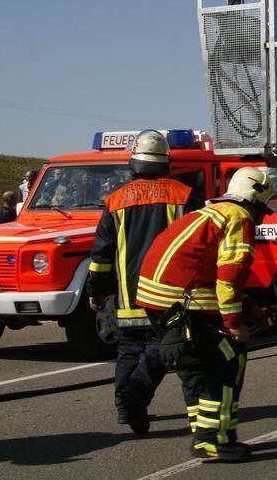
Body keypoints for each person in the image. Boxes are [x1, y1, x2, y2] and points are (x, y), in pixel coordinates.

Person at [137, 166, 277, 463]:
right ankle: (216, 440)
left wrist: (249, 304)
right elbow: (228, 277)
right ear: (253, 199)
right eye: (264, 208)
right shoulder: (239, 218)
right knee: (229, 359)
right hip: (184, 304)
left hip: (159, 301)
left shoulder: (209, 212)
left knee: (196, 368)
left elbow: (206, 270)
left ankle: (202, 432)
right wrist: (234, 324)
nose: (264, 215)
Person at [85, 130, 193, 434]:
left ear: (134, 162)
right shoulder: (184, 196)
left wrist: (96, 289)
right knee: (164, 344)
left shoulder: (115, 200)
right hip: (167, 291)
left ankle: (125, 405)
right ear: (166, 161)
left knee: (129, 349)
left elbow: (102, 252)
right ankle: (138, 393)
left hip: (128, 294)